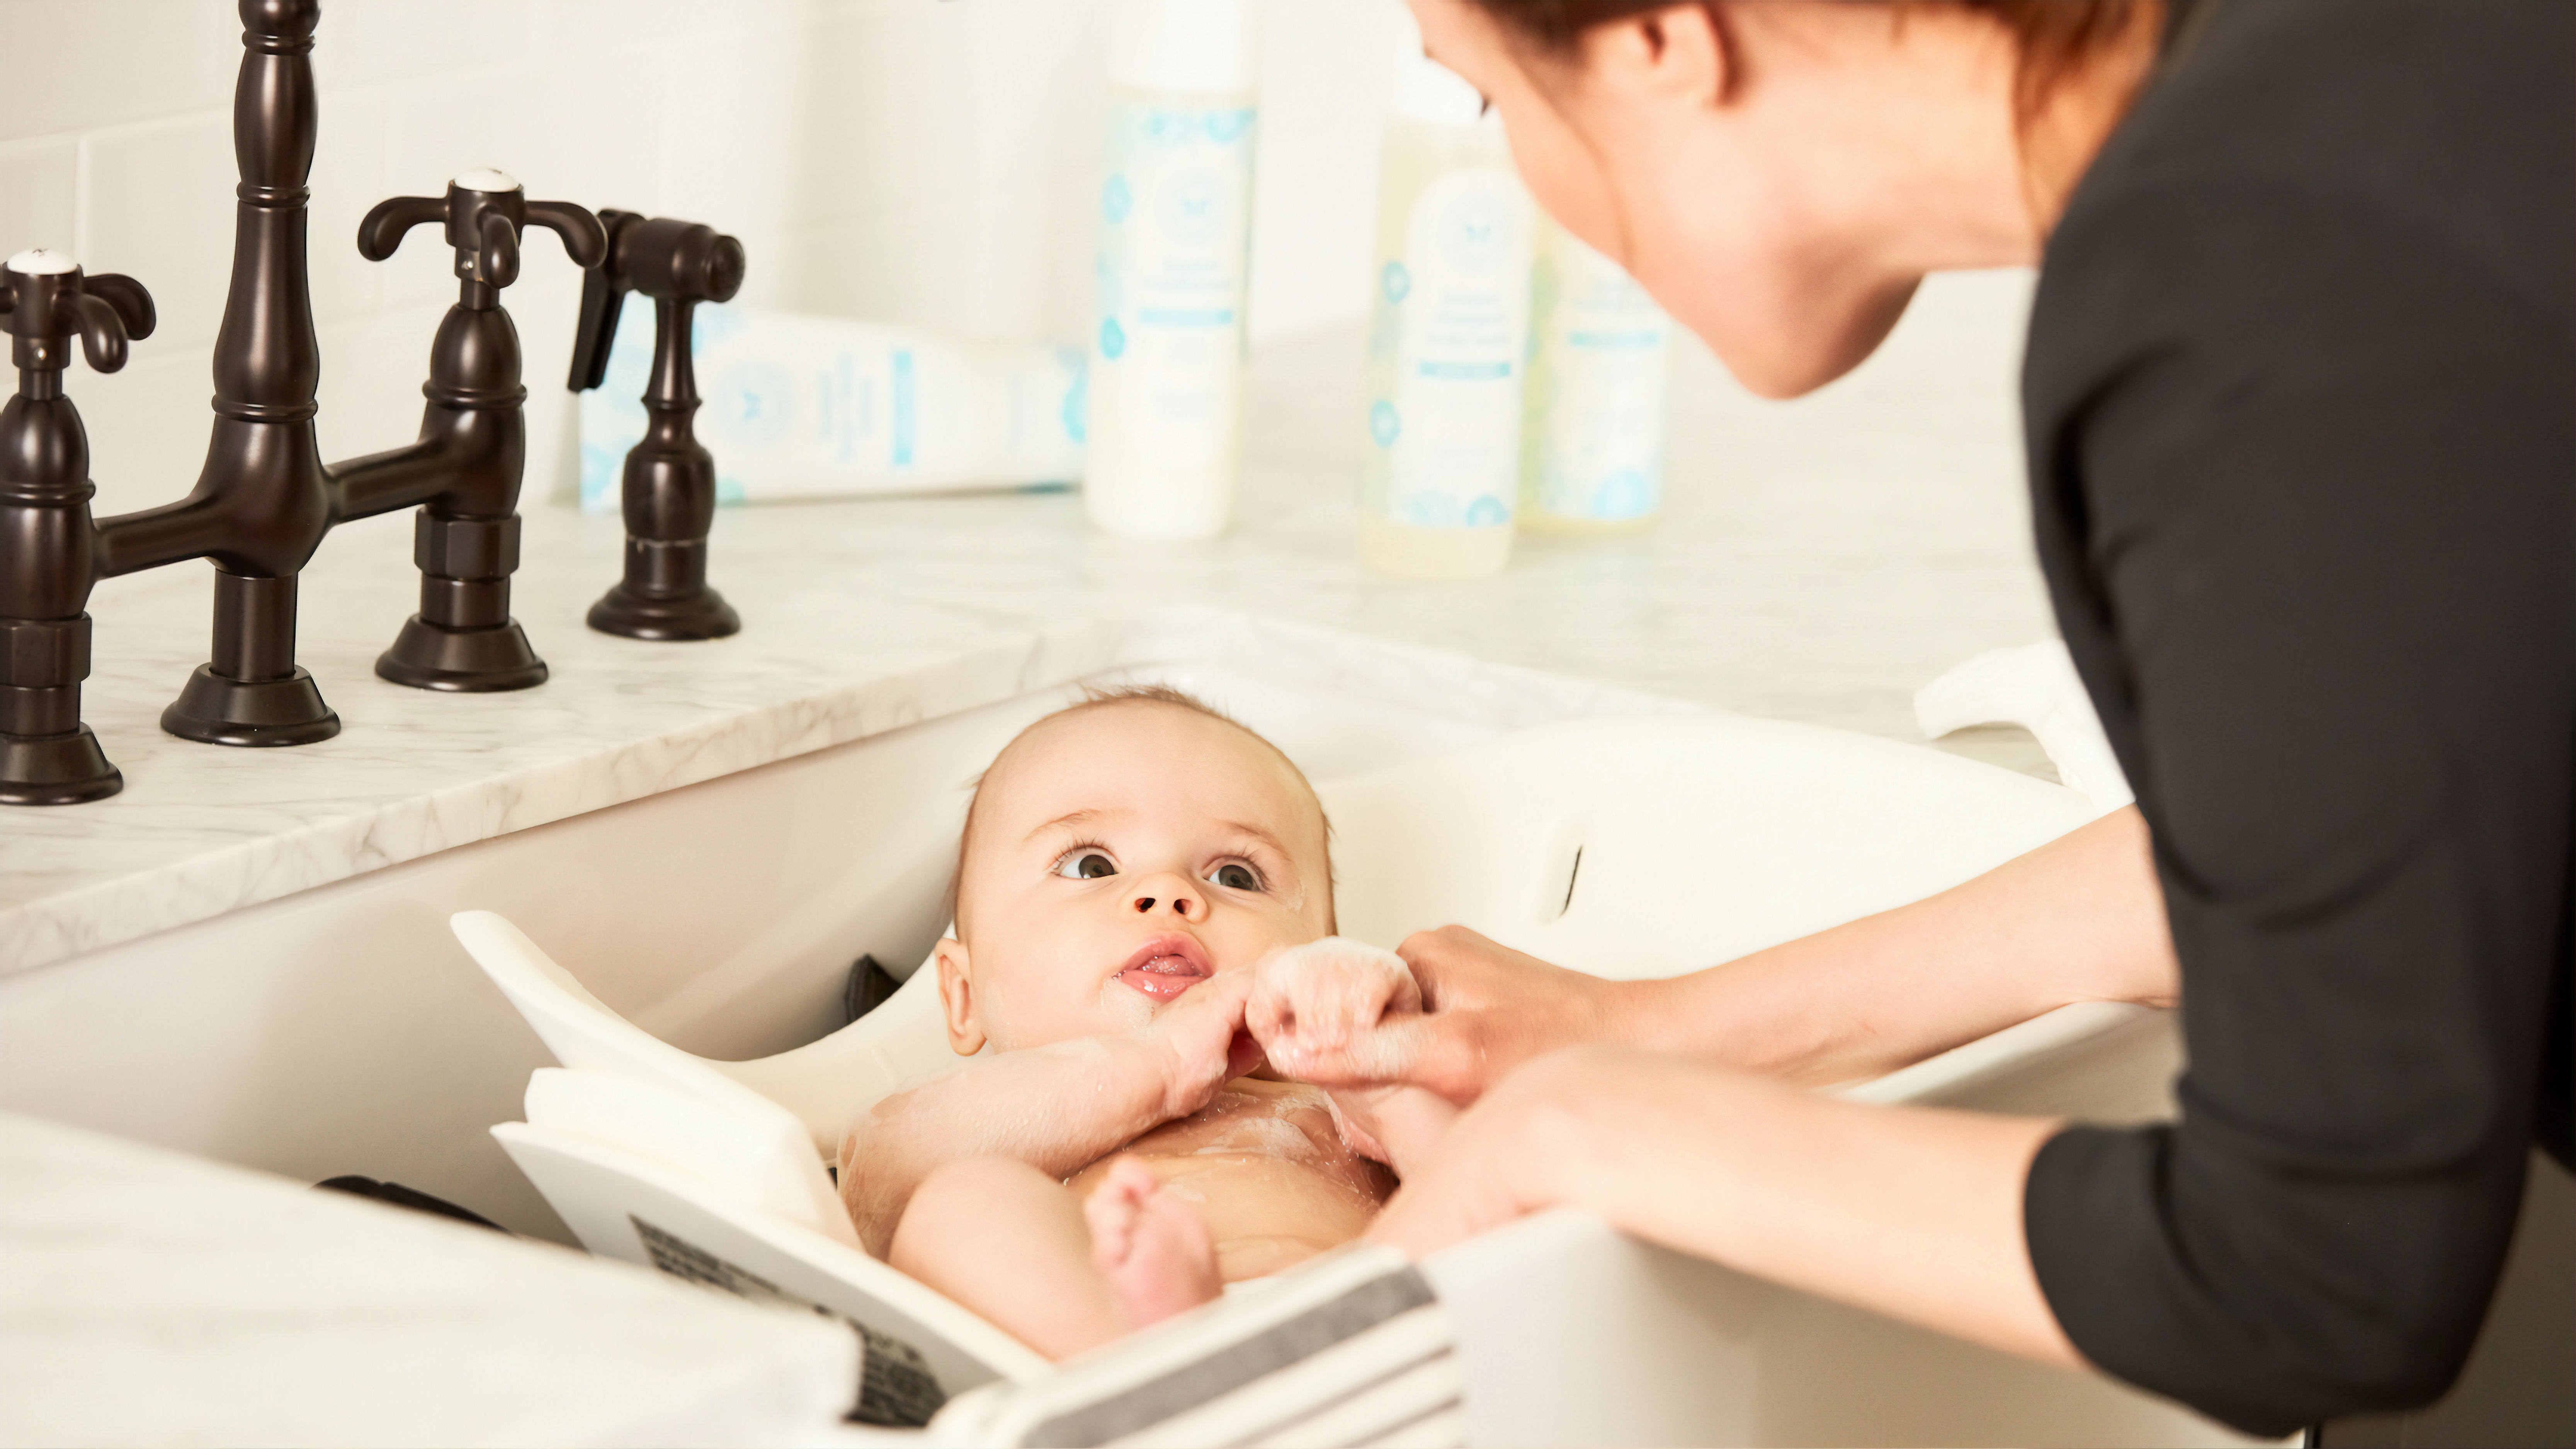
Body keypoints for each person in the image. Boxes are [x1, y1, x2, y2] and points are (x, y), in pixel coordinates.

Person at [1282, 0, 2573, 1436]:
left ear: (1661, 38)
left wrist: (1587, 1131)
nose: (1523, 171)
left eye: (1483, 98)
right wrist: (1659, 1030)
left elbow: (2319, 1268)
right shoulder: (2356, 92)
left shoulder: (2248, 292)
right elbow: (2352, 825)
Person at [835, 687, 1450, 1360]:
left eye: (1237, 875)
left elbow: (1472, 1184)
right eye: (1091, 864)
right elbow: (875, 1181)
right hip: (1103, 1357)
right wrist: (1157, 1066)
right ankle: (1143, 1360)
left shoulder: (1329, 1097)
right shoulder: (988, 1124)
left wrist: (1383, 1064)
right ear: (963, 996)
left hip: (1349, 1353)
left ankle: (1167, 1361)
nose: (1166, 892)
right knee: (959, 1204)